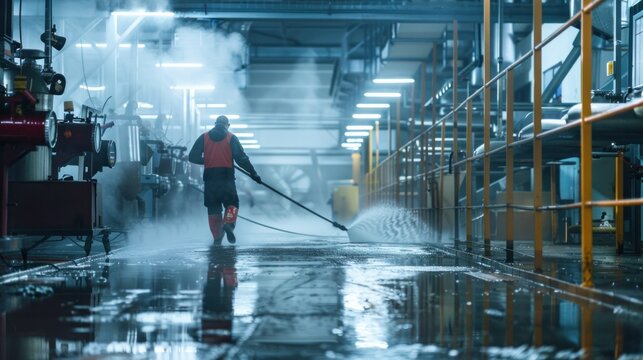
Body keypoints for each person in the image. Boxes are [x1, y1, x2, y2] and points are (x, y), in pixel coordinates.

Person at [189, 115, 261, 244]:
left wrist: (208, 159)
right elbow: (241, 159)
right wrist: (253, 173)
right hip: (226, 178)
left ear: (215, 124)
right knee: (232, 204)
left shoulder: (204, 137)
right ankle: (228, 223)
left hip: (210, 179)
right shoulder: (231, 138)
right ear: (227, 125)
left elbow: (192, 157)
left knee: (213, 207)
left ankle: (217, 237)